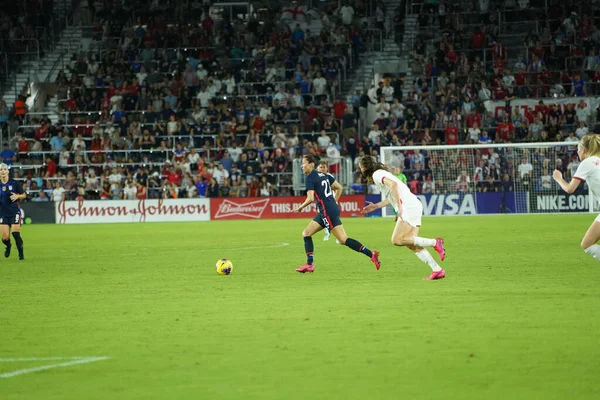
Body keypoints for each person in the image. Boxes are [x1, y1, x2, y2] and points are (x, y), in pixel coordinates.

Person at [358, 156, 446, 280]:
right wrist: (376, 206)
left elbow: (393, 185)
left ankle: (435, 242)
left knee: (396, 240)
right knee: (411, 243)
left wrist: (399, 206)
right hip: (413, 204)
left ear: (364, 167)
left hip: (408, 206)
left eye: (360, 166)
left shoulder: (376, 174)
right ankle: (437, 270)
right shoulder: (382, 173)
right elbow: (392, 195)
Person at [293, 155, 380, 273]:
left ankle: (371, 254)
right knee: (306, 233)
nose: (302, 166)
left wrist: (300, 207)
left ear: (311, 165)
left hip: (326, 211)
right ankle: (309, 264)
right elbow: (339, 187)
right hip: (329, 209)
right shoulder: (325, 175)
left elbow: (310, 198)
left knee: (343, 239)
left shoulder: (310, 178)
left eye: (304, 163)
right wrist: (334, 201)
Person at [553, 135, 600, 261]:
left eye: (578, 150)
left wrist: (559, 179)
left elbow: (570, 189)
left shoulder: (587, 162)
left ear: (583, 150)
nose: (578, 153)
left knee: (587, 244)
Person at [0, 163, 26, 260]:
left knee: (15, 233)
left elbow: (24, 195)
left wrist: (17, 196)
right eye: (1, 169)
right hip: (3, 213)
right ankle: (8, 246)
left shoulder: (14, 183)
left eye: (4, 169)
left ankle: (21, 254)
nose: (2, 171)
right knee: (5, 237)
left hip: (14, 211)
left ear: (7, 171)